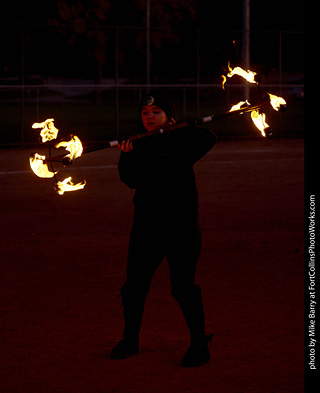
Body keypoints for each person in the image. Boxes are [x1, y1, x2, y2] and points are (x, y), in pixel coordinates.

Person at [111, 91, 218, 367]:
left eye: (156, 113)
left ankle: (198, 344)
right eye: (145, 113)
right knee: (135, 286)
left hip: (181, 226)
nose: (149, 118)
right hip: (147, 226)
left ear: (169, 116)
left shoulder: (183, 141)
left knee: (183, 287)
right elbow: (130, 180)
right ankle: (130, 340)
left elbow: (209, 137)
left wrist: (177, 130)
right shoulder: (136, 144)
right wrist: (126, 155)